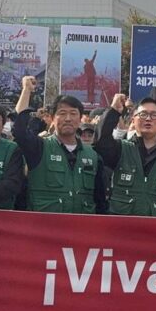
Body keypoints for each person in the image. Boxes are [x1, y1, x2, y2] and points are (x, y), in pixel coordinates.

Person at [14, 76, 105, 214]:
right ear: (52, 118)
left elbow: (100, 200)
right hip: (44, 224)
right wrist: (26, 91)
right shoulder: (39, 147)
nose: (68, 119)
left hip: (81, 224)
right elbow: (19, 131)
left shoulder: (93, 155)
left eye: (73, 114)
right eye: (62, 113)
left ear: (80, 119)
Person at [95, 94, 156, 217]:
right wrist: (113, 111)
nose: (148, 119)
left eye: (154, 115)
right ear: (133, 120)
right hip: (123, 225)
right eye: (143, 114)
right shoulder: (121, 149)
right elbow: (101, 141)